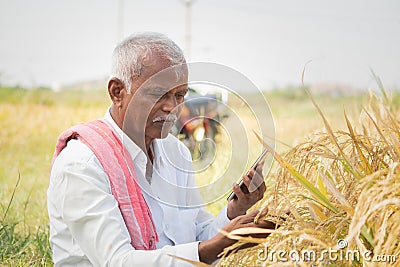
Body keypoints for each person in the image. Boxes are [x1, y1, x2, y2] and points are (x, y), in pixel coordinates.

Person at [47, 32, 272, 266]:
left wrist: (235, 213)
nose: (172, 107)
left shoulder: (175, 151)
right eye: (158, 94)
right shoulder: (82, 163)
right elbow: (117, 261)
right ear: (117, 92)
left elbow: (197, 236)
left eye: (179, 95)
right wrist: (218, 244)